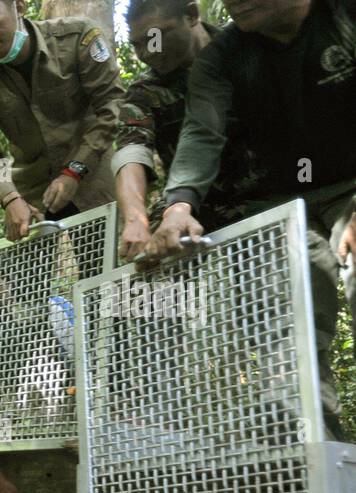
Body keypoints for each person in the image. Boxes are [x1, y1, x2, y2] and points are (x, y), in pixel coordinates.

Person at [145, 0, 356, 440]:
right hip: (282, 201)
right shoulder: (222, 56)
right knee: (285, 335)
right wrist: (179, 206)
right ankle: (321, 479)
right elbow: (202, 131)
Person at [0, 0, 125, 243]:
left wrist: (74, 171)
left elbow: (111, 106)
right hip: (31, 192)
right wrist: (10, 198)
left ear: (19, 6)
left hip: (92, 180)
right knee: (28, 277)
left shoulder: (78, 37)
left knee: (101, 273)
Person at [113, 0, 264, 261]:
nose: (147, 52)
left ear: (191, 15)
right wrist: (135, 219)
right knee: (148, 258)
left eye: (155, 37)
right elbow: (132, 151)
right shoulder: (145, 92)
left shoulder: (245, 47)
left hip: (265, 193)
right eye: (137, 44)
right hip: (191, 206)